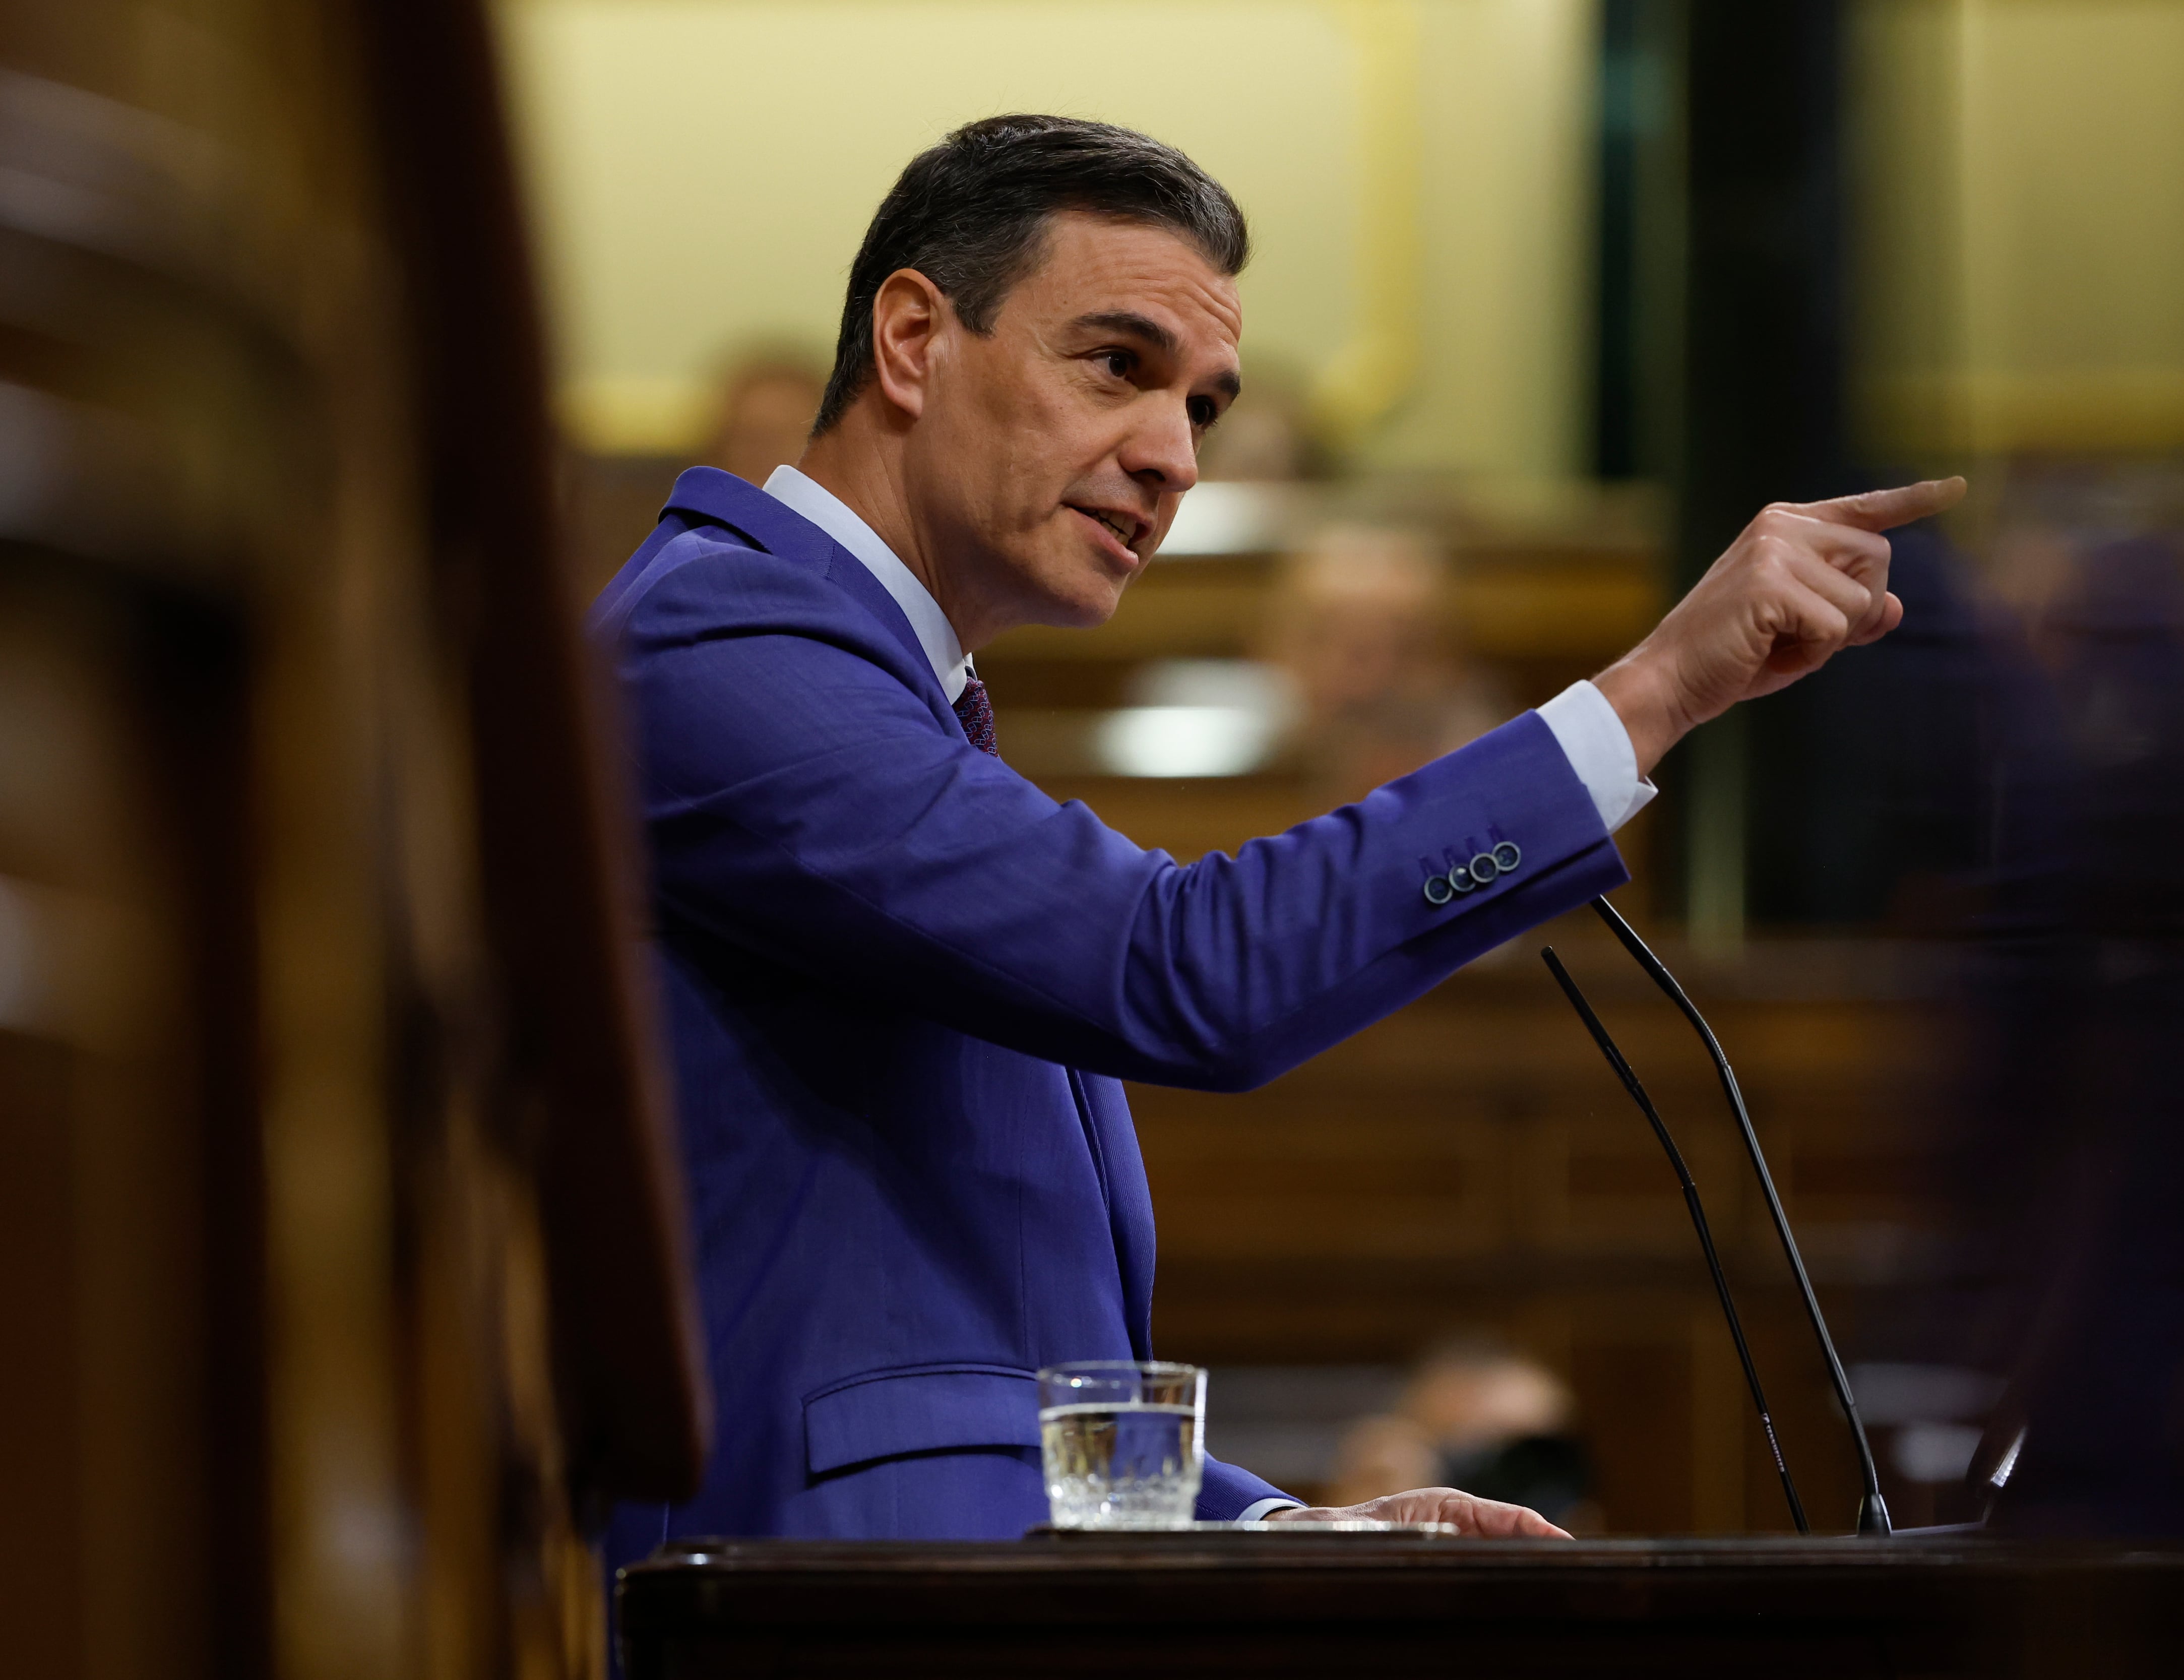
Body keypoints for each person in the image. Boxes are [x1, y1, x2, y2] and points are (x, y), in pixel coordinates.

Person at [590, 114, 1960, 1564]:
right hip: (817, 1615)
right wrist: (1656, 692)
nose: (1174, 457)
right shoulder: (715, 637)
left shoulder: (874, 687)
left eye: (1205, 406)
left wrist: (1289, 1528)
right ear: (918, 338)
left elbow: (991, 1341)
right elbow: (1174, 969)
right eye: (1119, 366)